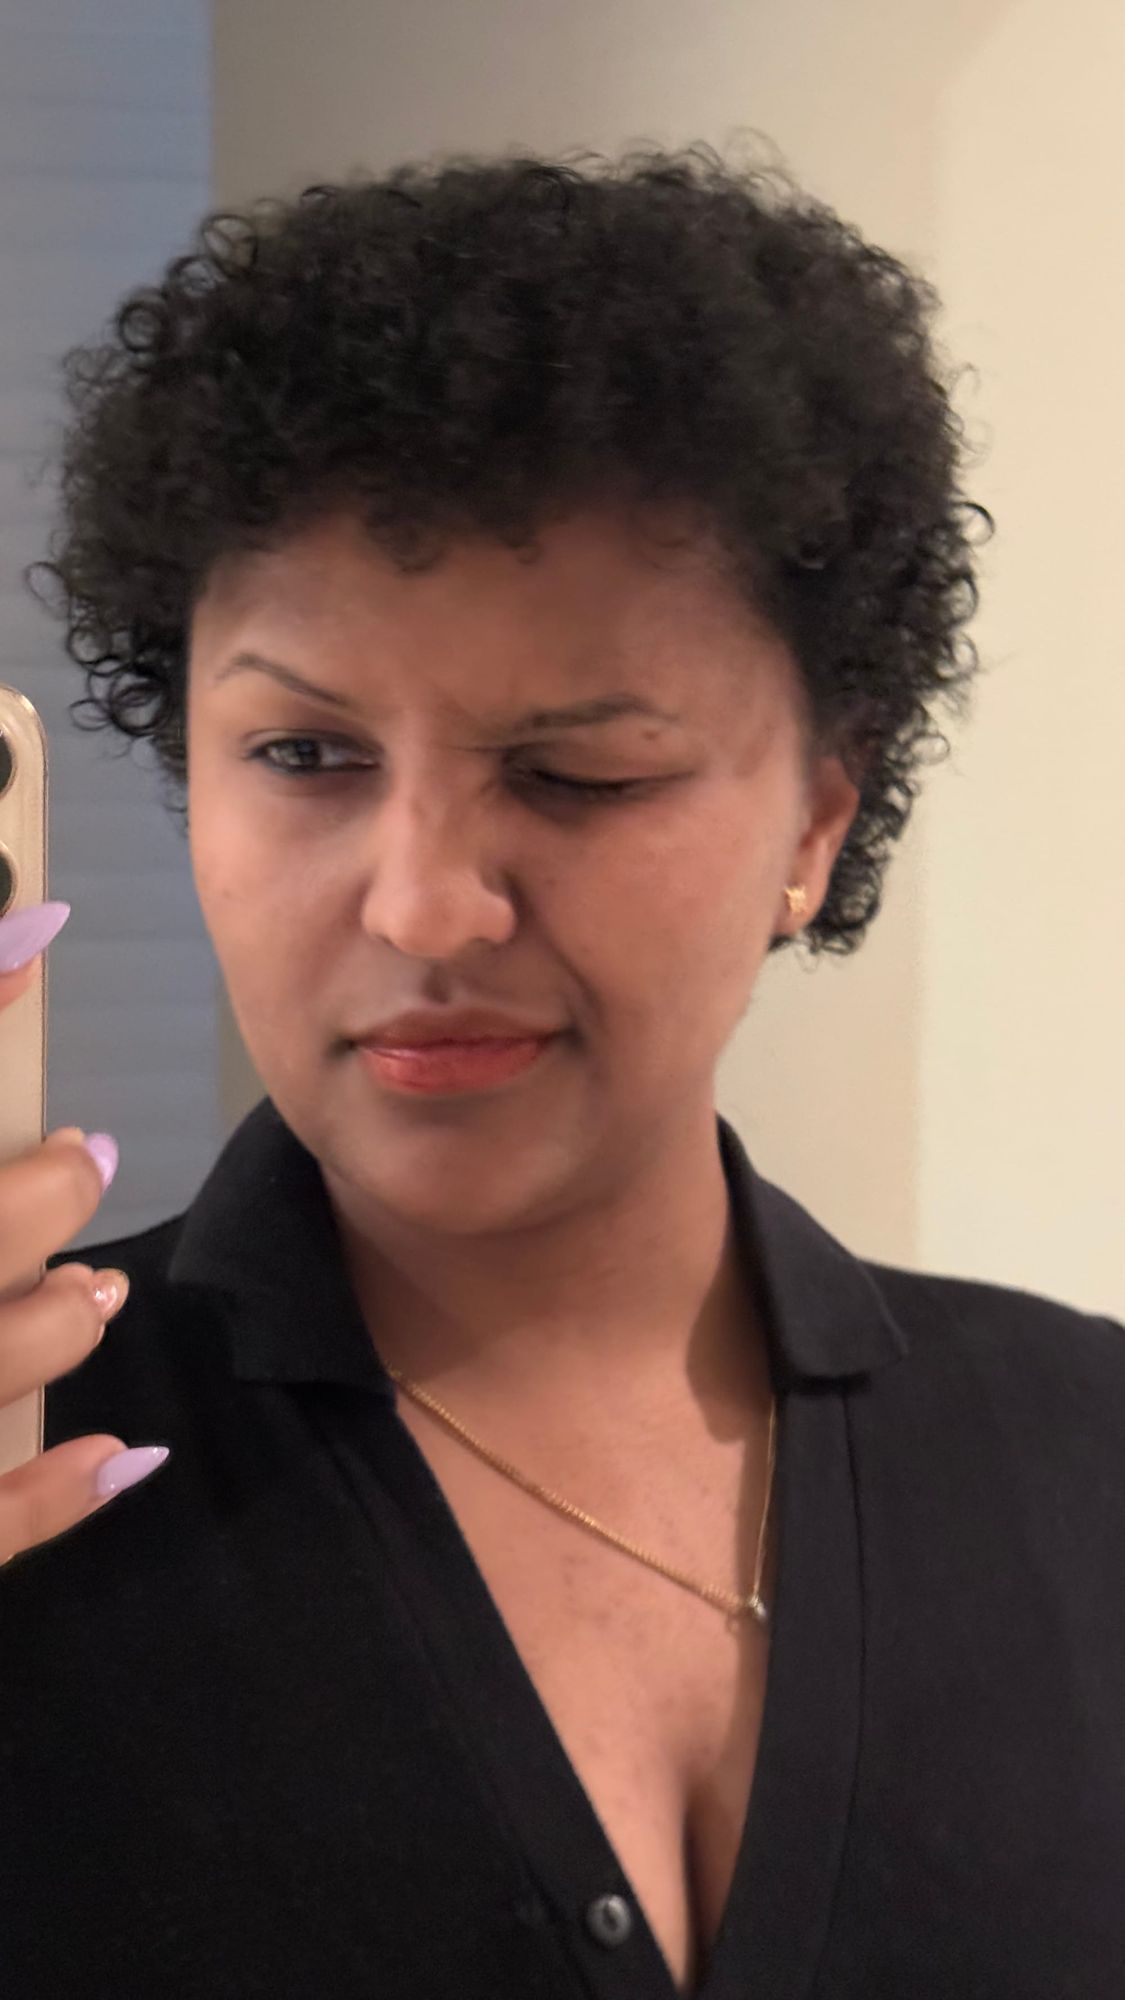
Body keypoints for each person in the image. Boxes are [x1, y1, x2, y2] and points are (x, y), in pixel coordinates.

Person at [1, 143, 1123, 2000]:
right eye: (303, 758)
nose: (424, 904)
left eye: (577, 774)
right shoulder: (41, 1466)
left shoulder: (1085, 1467)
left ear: (814, 821)